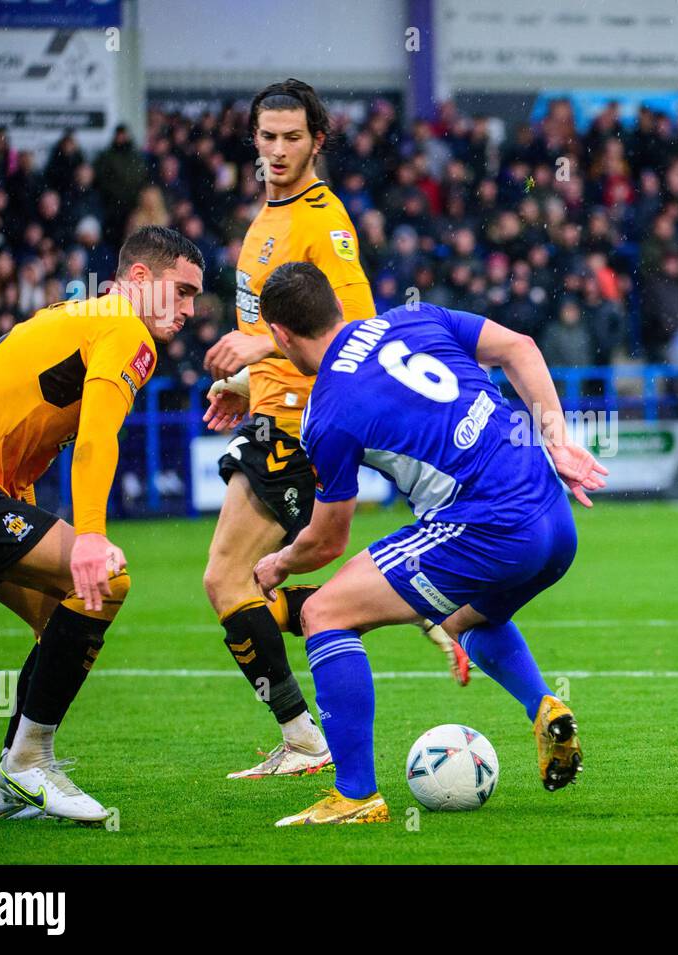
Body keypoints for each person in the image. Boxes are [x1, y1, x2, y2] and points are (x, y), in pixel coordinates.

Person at [250, 262, 608, 826]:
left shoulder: (327, 412)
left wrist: (278, 563)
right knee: (465, 621)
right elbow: (521, 346)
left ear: (280, 335)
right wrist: (558, 440)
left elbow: (327, 540)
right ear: (337, 306)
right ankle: (544, 705)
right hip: (553, 515)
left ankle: (355, 795)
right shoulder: (413, 317)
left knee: (324, 613)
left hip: (486, 524)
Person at [0, 226, 203, 821]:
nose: (191, 311)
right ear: (140, 280)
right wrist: (90, 535)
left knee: (58, 618)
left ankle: (10, 782)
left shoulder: (81, 315)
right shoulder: (125, 329)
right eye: (182, 292)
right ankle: (29, 764)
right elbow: (98, 435)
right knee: (104, 581)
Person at [198, 79, 381, 779]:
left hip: (304, 430)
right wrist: (245, 382)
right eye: (267, 137)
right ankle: (353, 615)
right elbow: (284, 337)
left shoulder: (320, 221)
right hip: (271, 415)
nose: (278, 150)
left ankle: (307, 735)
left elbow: (355, 332)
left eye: (292, 138)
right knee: (235, 583)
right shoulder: (264, 220)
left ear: (318, 142)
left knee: (225, 578)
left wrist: (258, 351)